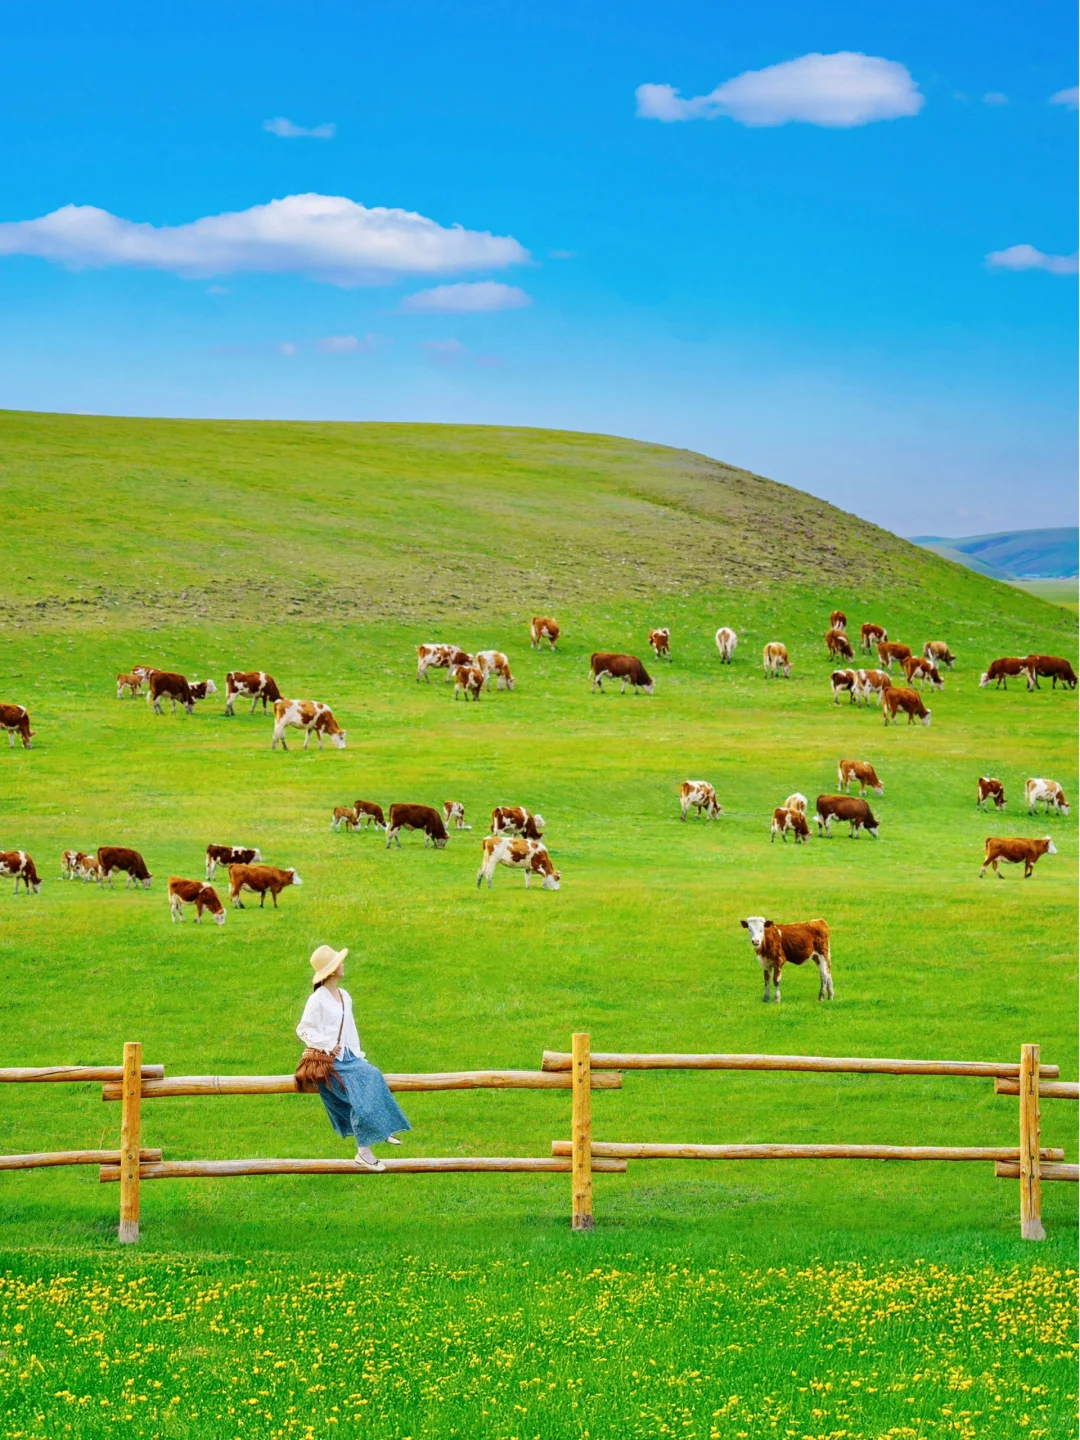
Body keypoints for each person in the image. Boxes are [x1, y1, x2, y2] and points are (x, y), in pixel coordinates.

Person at [296, 944, 412, 1171]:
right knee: (359, 1098)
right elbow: (304, 1029)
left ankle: (382, 1129)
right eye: (338, 962)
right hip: (329, 1061)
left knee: (373, 1074)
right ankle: (364, 1151)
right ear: (331, 970)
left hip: (348, 1057)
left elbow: (349, 1029)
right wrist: (328, 1045)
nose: (342, 965)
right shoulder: (317, 999)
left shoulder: (344, 996)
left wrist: (358, 1057)